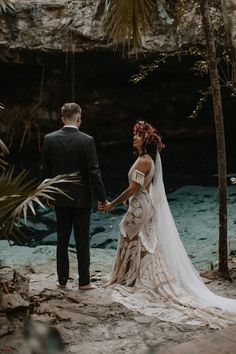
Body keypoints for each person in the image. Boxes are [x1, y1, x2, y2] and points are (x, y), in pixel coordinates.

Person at [99, 120, 236, 328]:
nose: (133, 138)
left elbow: (132, 189)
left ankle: (131, 278)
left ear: (145, 139)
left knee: (134, 238)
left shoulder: (144, 161)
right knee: (134, 238)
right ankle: (128, 277)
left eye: (137, 135)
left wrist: (111, 204)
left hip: (139, 207)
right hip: (140, 205)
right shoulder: (143, 159)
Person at [41, 102, 107, 290]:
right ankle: (84, 282)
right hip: (82, 199)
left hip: (59, 198)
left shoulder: (49, 139)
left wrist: (47, 195)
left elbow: (44, 170)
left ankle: (62, 280)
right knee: (82, 240)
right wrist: (102, 198)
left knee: (62, 239)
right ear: (78, 118)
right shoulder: (87, 140)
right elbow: (94, 172)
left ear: (62, 119)